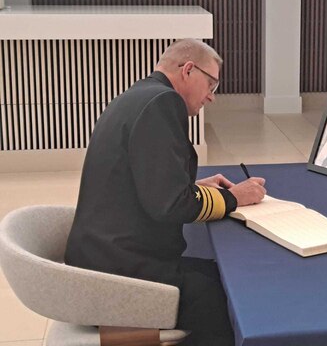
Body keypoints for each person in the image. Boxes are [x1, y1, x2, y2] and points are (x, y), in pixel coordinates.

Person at [64, 39, 266, 346]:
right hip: (118, 272)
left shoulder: (140, 95)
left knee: (221, 277)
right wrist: (234, 198)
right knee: (223, 302)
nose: (211, 97)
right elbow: (170, 206)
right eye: (211, 84)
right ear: (187, 70)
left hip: (107, 254)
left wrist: (193, 188)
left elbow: (146, 184)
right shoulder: (163, 103)